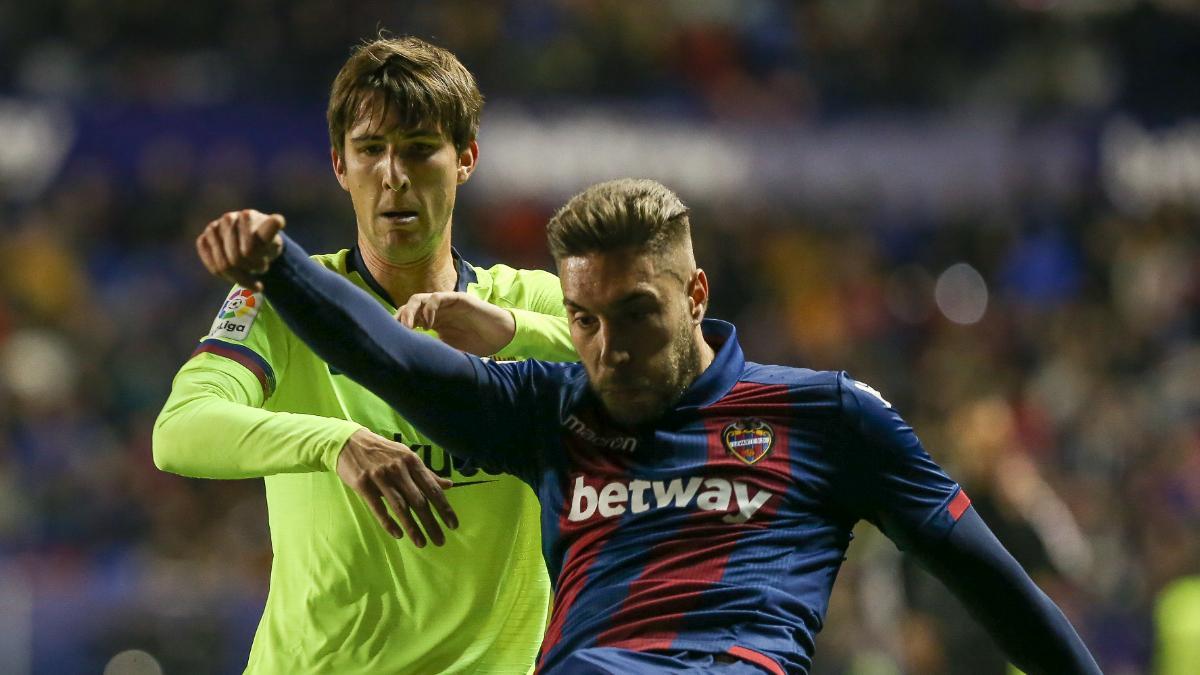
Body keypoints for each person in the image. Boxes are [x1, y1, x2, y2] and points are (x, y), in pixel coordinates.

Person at [197, 179, 1102, 674]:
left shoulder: (828, 416)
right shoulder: (553, 409)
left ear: (696, 293)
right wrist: (279, 268)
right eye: (584, 319)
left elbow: (996, 585)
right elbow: (396, 361)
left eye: (635, 315)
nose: (607, 348)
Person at [153, 36, 576, 674]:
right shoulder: (286, 302)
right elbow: (179, 431)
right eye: (371, 150)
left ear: (465, 160)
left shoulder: (529, 302)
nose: (393, 176)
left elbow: (679, 360)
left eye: (419, 149)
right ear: (339, 166)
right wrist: (338, 443)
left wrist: (512, 329)